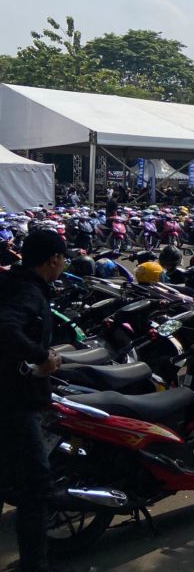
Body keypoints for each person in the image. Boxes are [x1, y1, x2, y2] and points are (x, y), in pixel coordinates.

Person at [0, 230, 67, 572]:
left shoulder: (12, 281)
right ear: (53, 259)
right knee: (36, 486)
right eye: (63, 258)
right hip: (14, 401)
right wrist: (42, 357)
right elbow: (7, 328)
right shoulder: (28, 291)